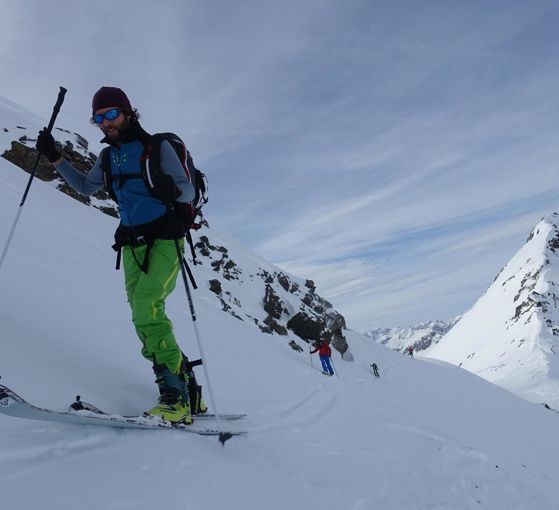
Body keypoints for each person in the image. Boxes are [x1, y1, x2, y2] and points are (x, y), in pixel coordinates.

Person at [36, 87, 196, 424]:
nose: (105, 122)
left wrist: (171, 189)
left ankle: (176, 399)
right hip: (131, 244)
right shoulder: (107, 157)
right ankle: (185, 387)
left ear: (128, 112)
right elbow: (84, 187)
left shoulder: (157, 146)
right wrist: (54, 157)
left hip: (165, 239)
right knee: (141, 316)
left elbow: (188, 189)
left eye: (111, 114)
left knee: (147, 306)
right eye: (98, 117)